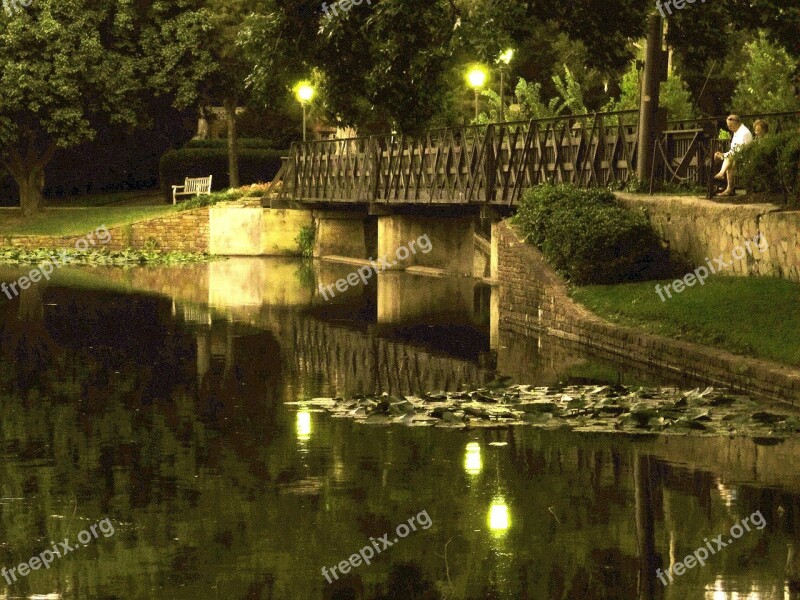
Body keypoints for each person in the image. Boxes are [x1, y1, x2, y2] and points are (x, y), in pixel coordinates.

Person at [714, 114, 753, 196]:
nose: (729, 128)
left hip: (745, 157)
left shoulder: (744, 133)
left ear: (736, 123)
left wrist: (726, 155)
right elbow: (734, 150)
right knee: (719, 157)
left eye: (730, 125)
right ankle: (725, 186)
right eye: (728, 126)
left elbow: (743, 150)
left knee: (729, 159)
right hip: (736, 156)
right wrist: (723, 154)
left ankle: (722, 175)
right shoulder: (737, 132)